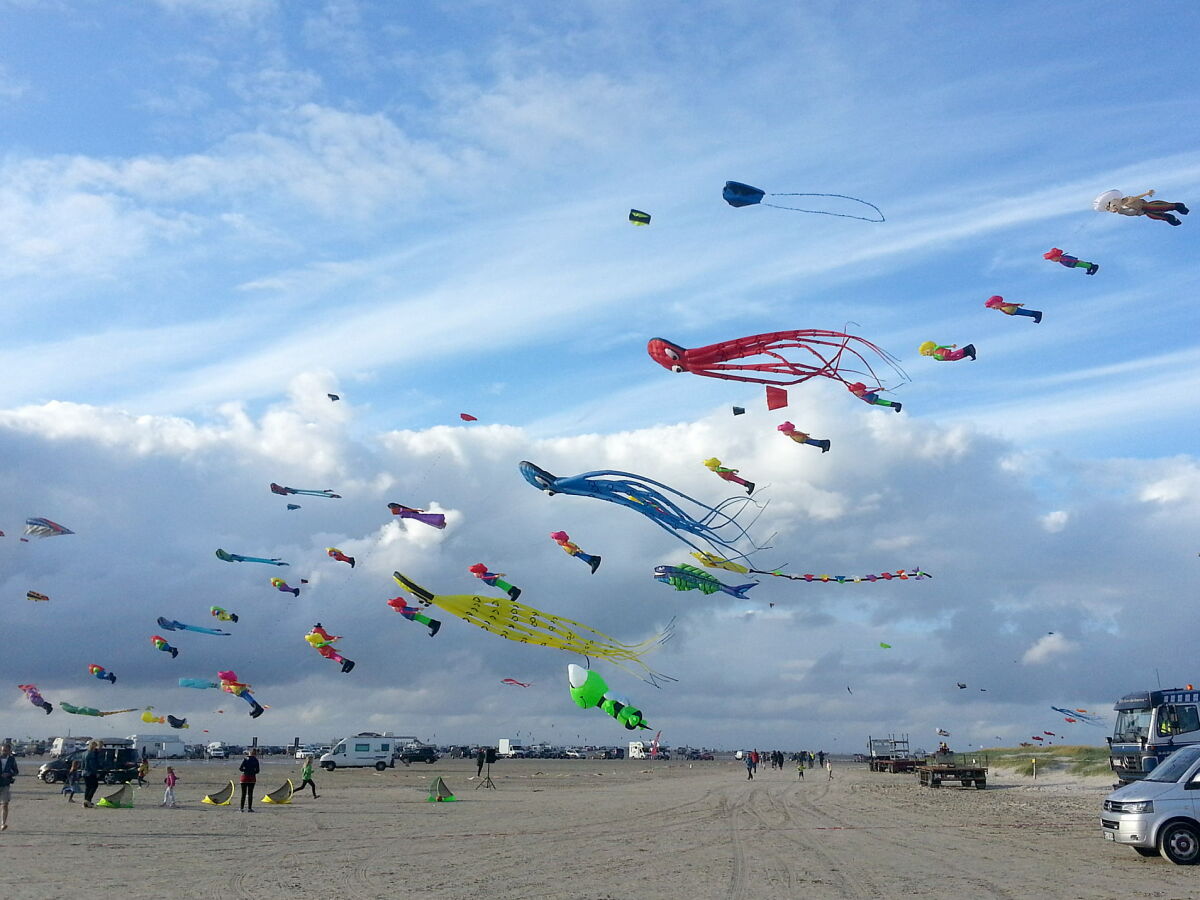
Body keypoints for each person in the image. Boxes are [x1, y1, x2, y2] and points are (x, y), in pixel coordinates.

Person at [1098, 189, 1189, 226]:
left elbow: (1135, 198)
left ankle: (1177, 206)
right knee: (1153, 215)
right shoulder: (1121, 210)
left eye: (1113, 206)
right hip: (1142, 211)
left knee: (1154, 208)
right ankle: (1170, 218)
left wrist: (1147, 193)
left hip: (1144, 206)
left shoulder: (1126, 200)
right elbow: (1130, 212)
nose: (1114, 209)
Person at [0, 742, 18, 830]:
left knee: (5, 804)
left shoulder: (12, 760)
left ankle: (3, 823)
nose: (4, 752)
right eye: (3, 750)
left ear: (9, 751)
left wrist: (9, 774)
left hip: (5, 784)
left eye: (6, 751)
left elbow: (16, 771)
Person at [81, 740, 102, 808]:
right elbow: (92, 765)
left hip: (84, 772)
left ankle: (85, 802)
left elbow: (82, 764)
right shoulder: (91, 754)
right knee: (94, 786)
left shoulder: (84, 753)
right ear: (93, 746)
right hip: (90, 773)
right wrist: (96, 772)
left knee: (88, 787)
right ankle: (88, 800)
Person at [238, 748, 260, 812]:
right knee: (250, 794)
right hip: (252, 778)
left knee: (243, 794)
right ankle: (249, 808)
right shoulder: (256, 760)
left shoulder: (245, 759)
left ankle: (241, 808)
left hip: (244, 777)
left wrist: (245, 770)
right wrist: (253, 772)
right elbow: (258, 770)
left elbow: (240, 768)